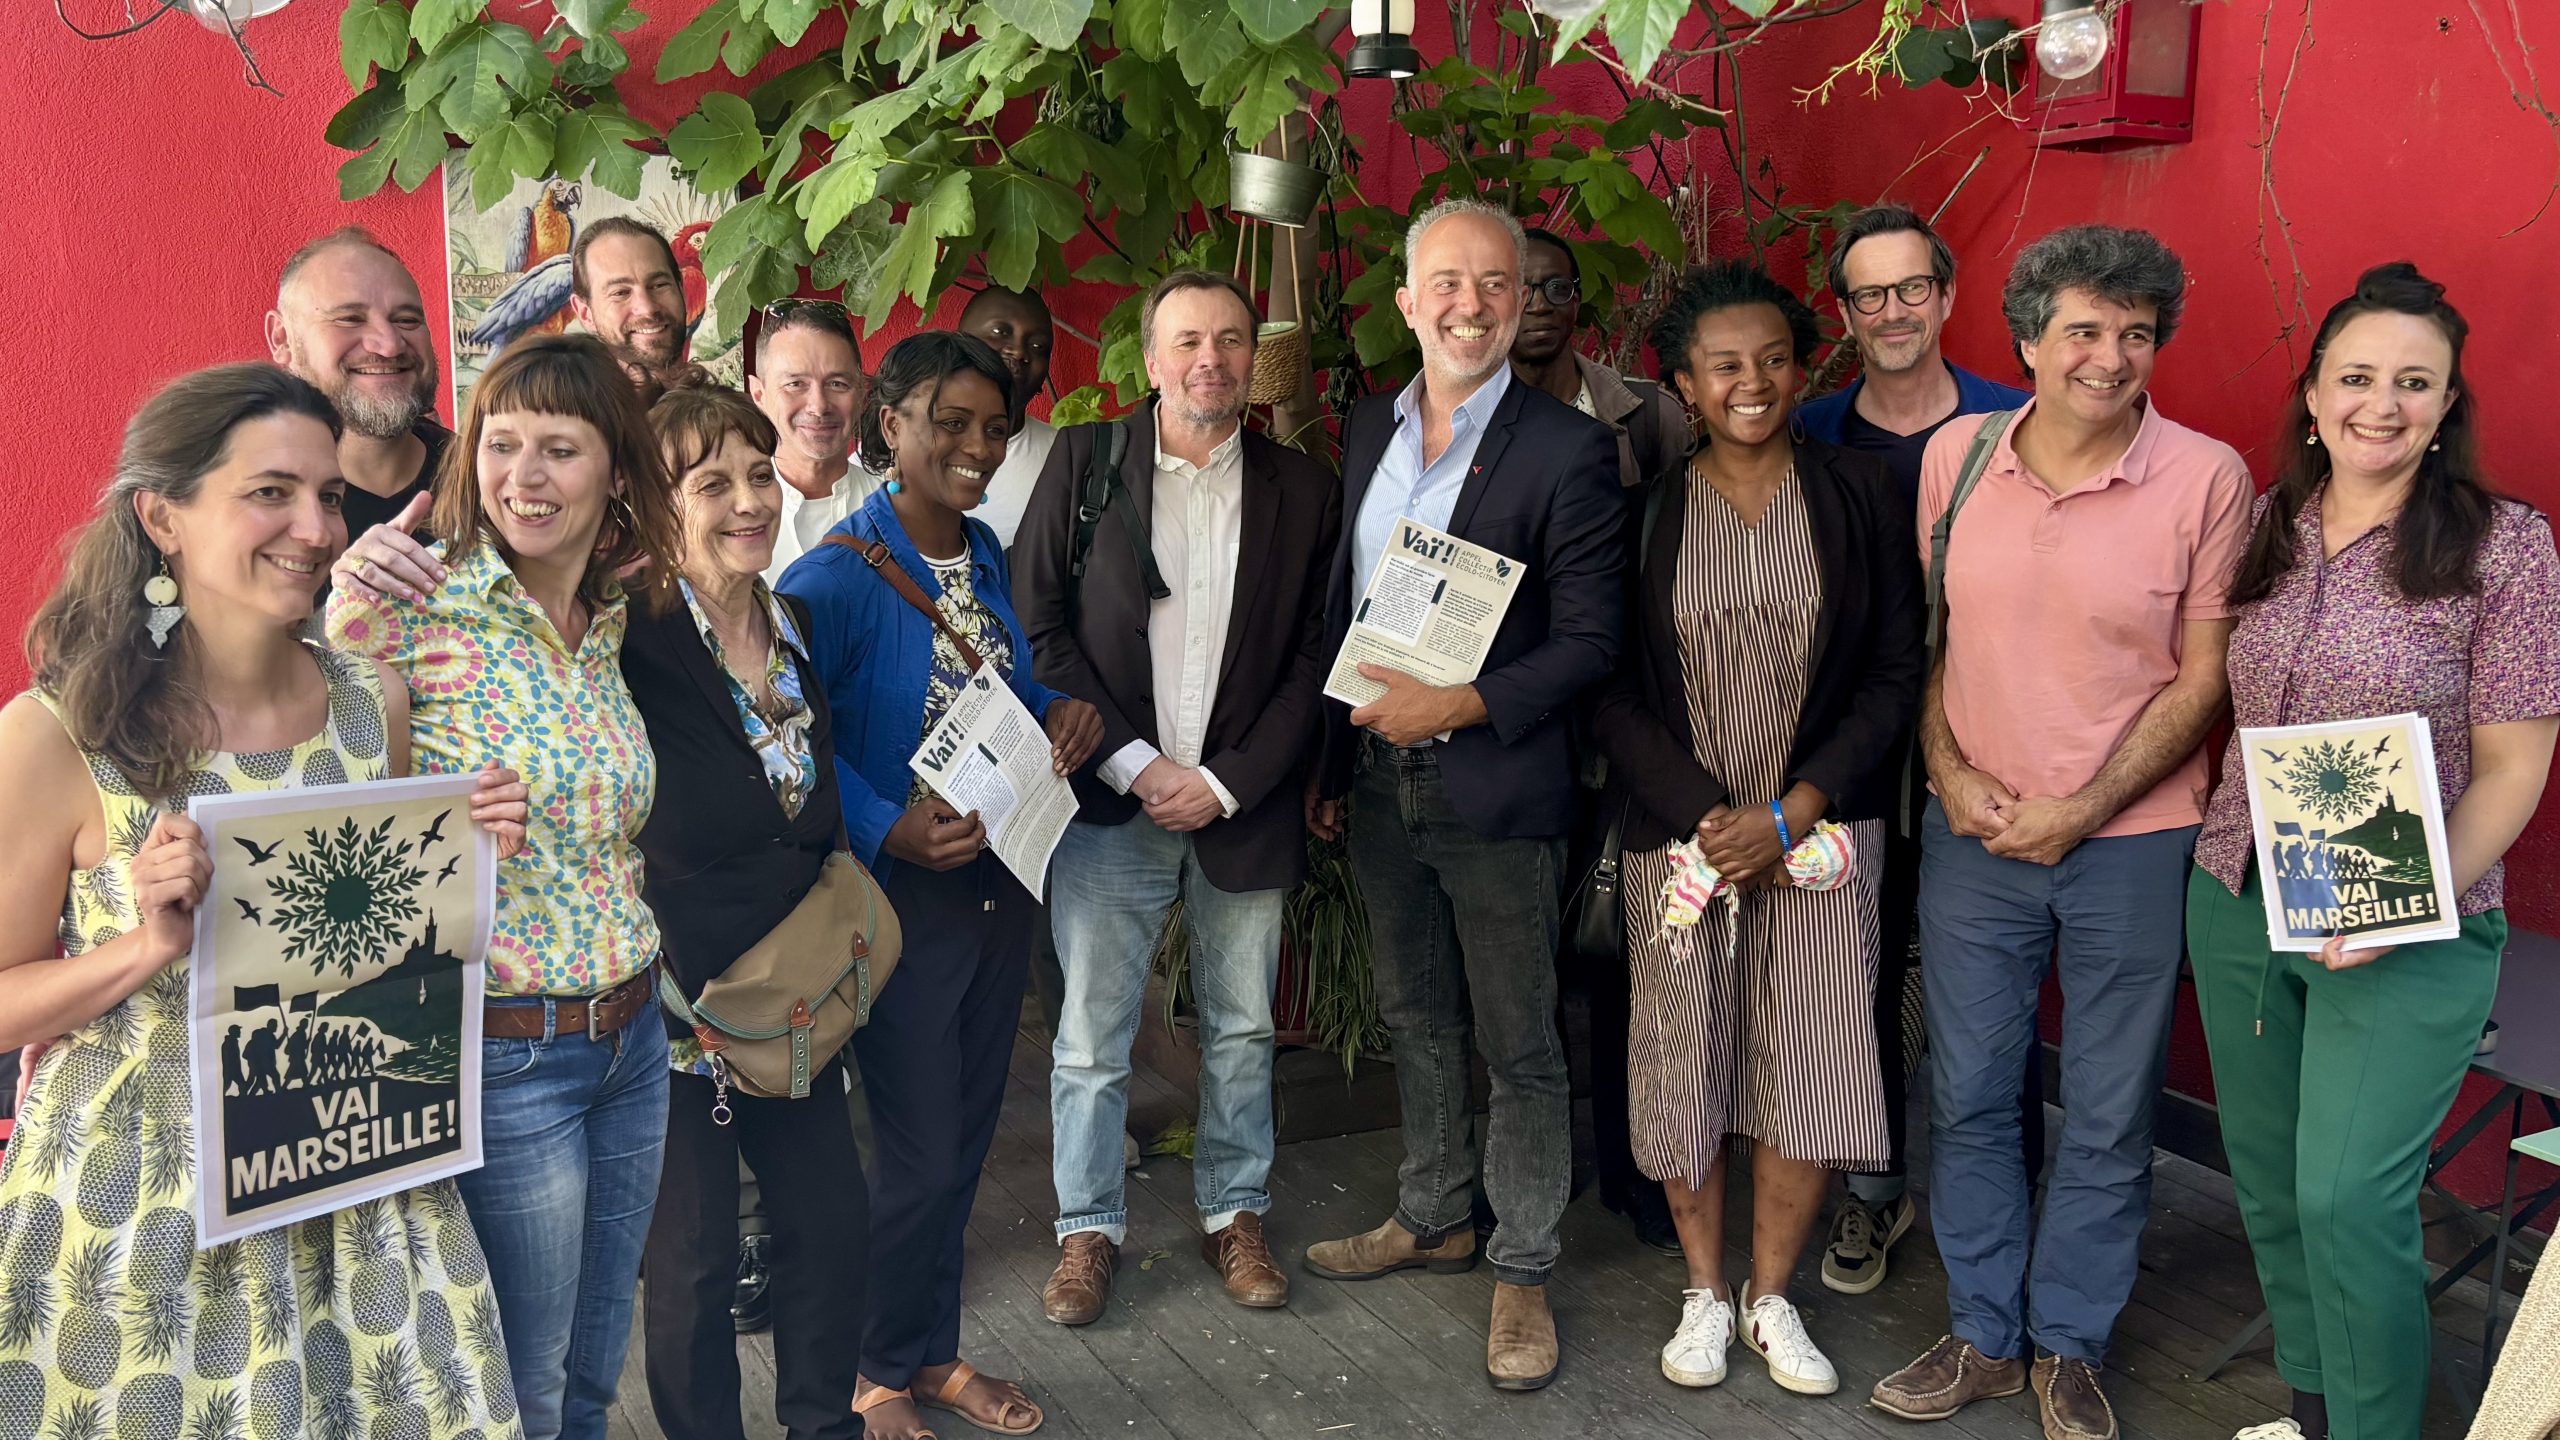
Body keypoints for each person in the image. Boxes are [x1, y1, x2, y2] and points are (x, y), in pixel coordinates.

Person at [0, 363, 525, 1435]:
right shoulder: (57, 737)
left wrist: (468, 856)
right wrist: (141, 949)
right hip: (149, 1205)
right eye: (271, 492)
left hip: (356, 1176)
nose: (317, 526)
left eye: (330, 496)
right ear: (163, 517)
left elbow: (383, 953)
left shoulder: (370, 705)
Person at [1871, 226, 2252, 1440]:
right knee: (1974, 1091)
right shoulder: (1955, 458)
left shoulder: (2206, 478)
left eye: (2135, 334)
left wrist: (2082, 808)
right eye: (2083, 330)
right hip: (1972, 832)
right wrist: (1945, 768)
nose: (2110, 357)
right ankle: (1985, 1332)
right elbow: (1931, 644)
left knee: (2105, 1103)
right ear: (2026, 340)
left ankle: (2069, 1342)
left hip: (2132, 841)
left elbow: (2202, 681)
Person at [2187, 264, 2560, 1440]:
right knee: (2277, 1193)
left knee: (2349, 1196)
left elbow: (2512, 767)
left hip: (2411, 913)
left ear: (2448, 406)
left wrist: (2405, 900)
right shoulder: (2264, 526)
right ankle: (2313, 1411)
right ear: (2313, 396)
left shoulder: (2505, 550)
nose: (2381, 404)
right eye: (2356, 377)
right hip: (2241, 892)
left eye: (2414, 382)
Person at [329, 332, 684, 1440]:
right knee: (519, 1385)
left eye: (560, 451)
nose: (523, 478)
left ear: (615, 473)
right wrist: (435, 828)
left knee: (593, 1371)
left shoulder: (609, 623)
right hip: (504, 1050)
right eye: (502, 445)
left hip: (634, 1041)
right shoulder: (407, 611)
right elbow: (313, 834)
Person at [1301, 198, 1624, 1392]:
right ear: (1406, 301)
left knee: (1520, 1042)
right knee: (1415, 1014)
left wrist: (1460, 705)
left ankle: (1524, 1265)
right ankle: (1433, 1214)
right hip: (1380, 783)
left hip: (1492, 783)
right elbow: (1346, 611)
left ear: (1524, 301)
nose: (1473, 304)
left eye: (1499, 283)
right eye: (1447, 281)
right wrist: (1333, 771)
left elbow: (1593, 640)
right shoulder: (1364, 433)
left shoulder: (1566, 448)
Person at [1591, 259, 1923, 1398]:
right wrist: (1707, 817)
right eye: (1725, 365)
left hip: (1820, 844)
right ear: (1683, 383)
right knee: (1687, 1067)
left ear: (1800, 367)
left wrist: (1789, 813)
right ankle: (1699, 1293)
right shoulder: (1643, 520)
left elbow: (1893, 673)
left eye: (1774, 359)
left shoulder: (1859, 497)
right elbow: (1612, 690)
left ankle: (1771, 1296)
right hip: (1684, 846)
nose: (1753, 381)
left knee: (1807, 1066)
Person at [778, 331, 1103, 1440]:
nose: (976, 446)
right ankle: (868, 1370)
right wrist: (884, 828)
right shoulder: (828, 577)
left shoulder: (990, 554)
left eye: (994, 426)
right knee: (914, 1152)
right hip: (898, 900)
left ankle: (930, 1353)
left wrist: (1057, 704)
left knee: (963, 1136)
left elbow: (995, 682)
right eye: (949, 422)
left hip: (997, 882)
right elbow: (786, 740)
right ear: (891, 425)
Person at [1015, 270, 1342, 1323]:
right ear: (1149, 361)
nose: (1212, 358)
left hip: (1242, 801)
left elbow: (1313, 658)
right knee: (1089, 1036)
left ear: (1256, 357)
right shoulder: (1086, 461)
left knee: (1243, 1027)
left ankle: (1234, 1214)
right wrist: (1136, 763)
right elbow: (1041, 630)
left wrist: (1228, 781)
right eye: (1187, 339)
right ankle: (1086, 1232)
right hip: (1114, 803)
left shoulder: (1303, 488)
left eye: (1232, 339)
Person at [1794, 203, 2041, 1297]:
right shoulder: (1808, 432)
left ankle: (2010, 1208)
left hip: (1983, 744)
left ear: (1944, 298)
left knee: (1986, 984)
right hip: (1849, 751)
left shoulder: (2017, 423)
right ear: (1843, 313)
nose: (1890, 311)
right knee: (1852, 970)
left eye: (1909, 289)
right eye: (1867, 294)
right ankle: (1871, 1192)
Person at [625, 385, 869, 1440]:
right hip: (679, 1001)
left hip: (792, 998)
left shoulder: (794, 621)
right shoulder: (627, 640)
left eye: (759, 474)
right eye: (711, 481)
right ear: (657, 504)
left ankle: (824, 1425)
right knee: (692, 1263)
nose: (748, 501)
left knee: (831, 1225)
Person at [1507, 225, 1691, 1257]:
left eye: (1557, 286)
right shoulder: (1460, 408)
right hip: (1503, 722)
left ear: (1582, 301)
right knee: (1518, 957)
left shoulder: (1642, 413)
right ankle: (1529, 1168)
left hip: (1621, 721)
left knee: (1622, 950)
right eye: (1518, 285)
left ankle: (1633, 1168)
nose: (1538, 301)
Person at [265, 227, 451, 540]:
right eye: (350, 319)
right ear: (282, 339)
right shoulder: (241, 502)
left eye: (407, 320)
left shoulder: (492, 482)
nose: (389, 345)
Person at [1510, 228, 1690, 490]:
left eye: (1557, 288)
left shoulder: (1651, 418)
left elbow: (1687, 522)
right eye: (1520, 292)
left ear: (1576, 303)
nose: (1539, 306)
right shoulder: (1463, 420)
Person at [754, 297, 875, 584]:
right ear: (759, 395)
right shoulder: (729, 515)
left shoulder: (894, 511)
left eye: (837, 384)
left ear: (860, 393)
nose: (818, 406)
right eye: (795, 384)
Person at [955, 284, 1058, 547]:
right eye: (1001, 332)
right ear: (958, 342)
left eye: (1038, 346)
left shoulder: (1065, 455)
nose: (1020, 352)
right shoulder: (903, 449)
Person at [572, 217, 695, 397]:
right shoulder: (572, 419)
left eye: (659, 285)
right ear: (585, 313)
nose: (647, 308)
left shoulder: (734, 416)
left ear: (681, 291)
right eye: (620, 293)